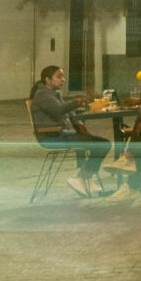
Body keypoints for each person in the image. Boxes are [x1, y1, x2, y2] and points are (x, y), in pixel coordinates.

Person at [29, 64, 112, 198]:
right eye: (59, 76)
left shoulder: (54, 94)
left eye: (63, 76)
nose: (63, 80)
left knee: (99, 142)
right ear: (47, 79)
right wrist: (75, 102)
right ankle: (82, 178)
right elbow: (60, 110)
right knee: (102, 145)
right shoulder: (42, 94)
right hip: (52, 137)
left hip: (62, 134)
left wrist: (80, 125)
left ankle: (84, 179)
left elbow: (70, 114)